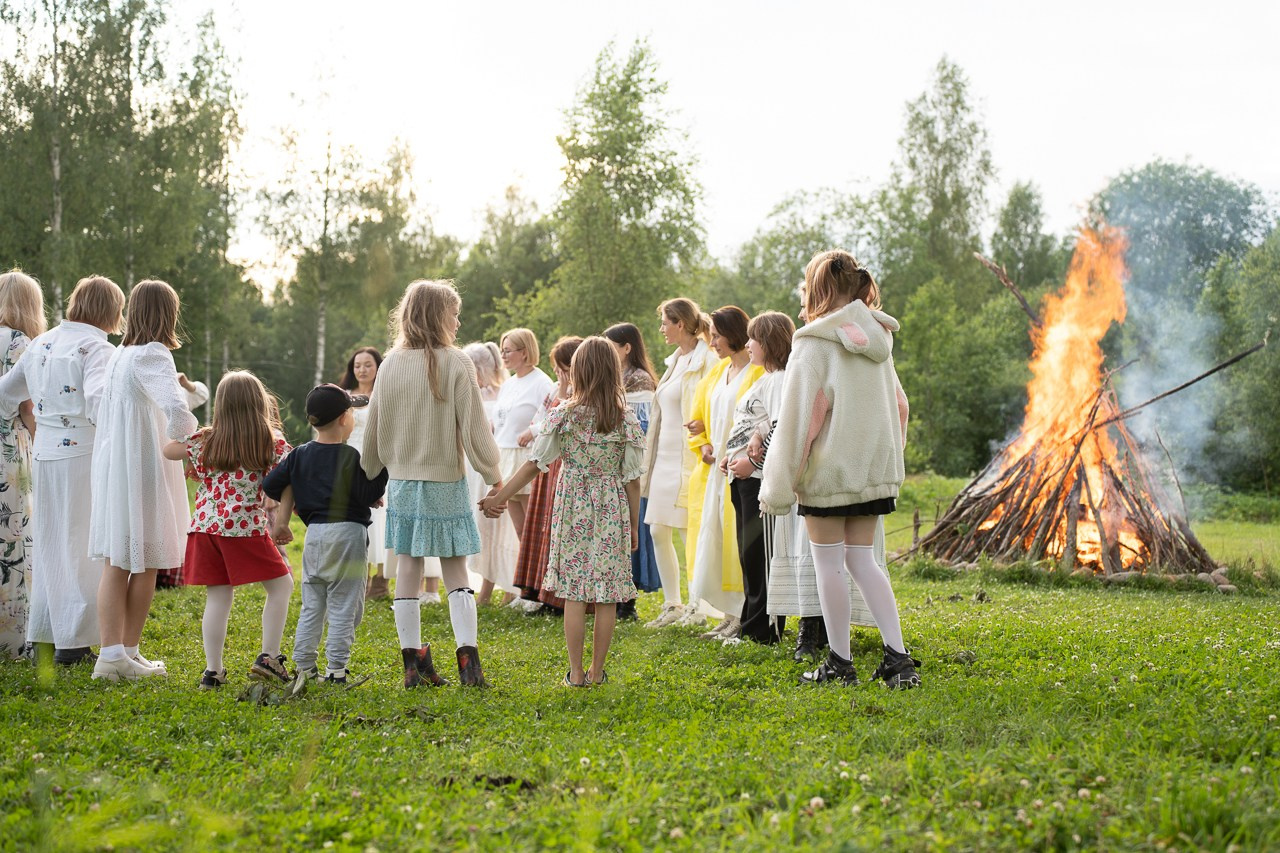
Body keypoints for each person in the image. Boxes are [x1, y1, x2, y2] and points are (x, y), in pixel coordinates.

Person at [759, 250, 920, 689]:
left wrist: (776, 487)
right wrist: (886, 458)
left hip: (829, 478)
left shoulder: (813, 344)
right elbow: (900, 407)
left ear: (815, 289)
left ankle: (840, 664)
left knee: (828, 565)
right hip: (871, 473)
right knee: (864, 562)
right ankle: (898, 661)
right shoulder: (880, 341)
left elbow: (797, 423)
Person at [362, 280, 502, 688]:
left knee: (407, 566)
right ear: (438, 315)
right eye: (454, 313)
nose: (458, 322)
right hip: (445, 482)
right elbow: (476, 431)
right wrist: (495, 477)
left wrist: (370, 476)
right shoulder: (457, 362)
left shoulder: (389, 363)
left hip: (403, 482)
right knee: (456, 569)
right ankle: (468, 665)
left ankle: (412, 664)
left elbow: (375, 428)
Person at [481, 337, 645, 686]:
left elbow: (533, 465)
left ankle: (575, 672)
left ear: (580, 371)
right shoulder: (624, 418)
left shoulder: (563, 414)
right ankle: (597, 671)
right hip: (610, 505)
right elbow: (632, 480)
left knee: (574, 591)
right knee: (607, 594)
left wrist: (499, 496)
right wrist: (632, 524)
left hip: (572, 506)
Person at [0, 275, 123, 666]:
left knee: (51, 543)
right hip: (83, 454)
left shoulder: (41, 342)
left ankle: (46, 637)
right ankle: (73, 642)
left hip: (44, 455)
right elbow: (99, 401)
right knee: (82, 544)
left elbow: (5, 393)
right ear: (111, 311)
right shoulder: (95, 347)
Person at [88, 279, 197, 682]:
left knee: (118, 560)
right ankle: (121, 652)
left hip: (117, 462)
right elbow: (177, 411)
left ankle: (118, 654)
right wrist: (196, 438)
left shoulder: (121, 353)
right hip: (141, 465)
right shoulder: (154, 353)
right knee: (146, 559)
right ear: (168, 313)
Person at [161, 371, 293, 688]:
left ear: (221, 405)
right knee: (281, 587)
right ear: (259, 402)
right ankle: (269, 657)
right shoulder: (271, 441)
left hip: (205, 528)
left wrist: (190, 436)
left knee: (218, 598)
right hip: (243, 526)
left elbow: (169, 450)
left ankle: (213, 671)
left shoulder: (207, 439)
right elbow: (288, 477)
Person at [265, 384, 388, 684]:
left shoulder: (300, 455)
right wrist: (383, 465)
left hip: (315, 535)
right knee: (345, 604)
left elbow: (271, 484)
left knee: (313, 603)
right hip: (348, 536)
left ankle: (304, 667)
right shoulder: (351, 457)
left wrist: (294, 503)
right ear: (346, 418)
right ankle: (336, 669)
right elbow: (366, 493)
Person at [684, 306, 764, 636]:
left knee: (739, 544)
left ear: (733, 334)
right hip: (716, 470)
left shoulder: (758, 373)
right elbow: (701, 415)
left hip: (745, 467)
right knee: (716, 541)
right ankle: (727, 616)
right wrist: (702, 441)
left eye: (716, 335)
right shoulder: (718, 373)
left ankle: (743, 613)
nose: (712, 342)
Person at [640, 298, 718, 628]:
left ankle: (698, 606)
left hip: (690, 457)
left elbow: (716, 401)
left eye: (664, 322)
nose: (661, 329)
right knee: (658, 529)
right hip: (664, 457)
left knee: (690, 531)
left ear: (680, 324)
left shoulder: (707, 360)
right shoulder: (675, 361)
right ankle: (672, 603)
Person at [720, 311, 793, 645]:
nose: (748, 344)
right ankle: (752, 626)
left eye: (754, 339)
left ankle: (764, 631)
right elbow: (755, 425)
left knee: (760, 557)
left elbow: (780, 427)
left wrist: (751, 461)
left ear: (769, 342)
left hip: (759, 481)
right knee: (748, 555)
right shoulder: (767, 379)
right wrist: (731, 457)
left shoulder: (780, 380)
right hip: (743, 480)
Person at [511, 336, 582, 614]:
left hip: (564, 464)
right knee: (542, 527)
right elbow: (539, 419)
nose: (558, 373)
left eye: (562, 367)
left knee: (558, 528)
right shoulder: (555, 389)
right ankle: (538, 590)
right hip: (547, 465)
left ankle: (557, 597)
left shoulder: (578, 392)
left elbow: (555, 421)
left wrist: (564, 391)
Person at [0, 270, 46, 659]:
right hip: (9, 448)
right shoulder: (23, 344)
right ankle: (14, 639)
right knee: (13, 533)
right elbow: (28, 408)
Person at [602, 323, 659, 621]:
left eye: (611, 344)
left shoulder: (639, 380)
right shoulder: (612, 375)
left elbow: (641, 427)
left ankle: (629, 599)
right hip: (611, 463)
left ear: (627, 347)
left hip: (630, 463)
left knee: (632, 528)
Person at [461, 342, 520, 606]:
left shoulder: (502, 393)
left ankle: (508, 587)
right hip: (473, 468)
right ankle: (487, 586)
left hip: (497, 463)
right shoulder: (469, 393)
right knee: (482, 525)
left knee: (499, 527)